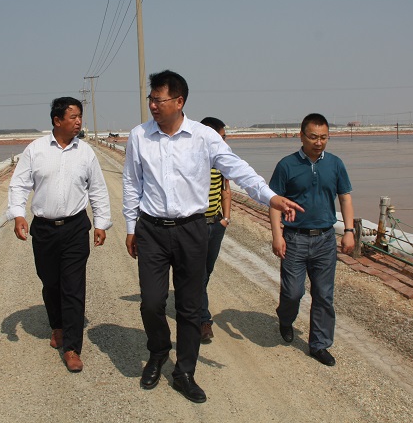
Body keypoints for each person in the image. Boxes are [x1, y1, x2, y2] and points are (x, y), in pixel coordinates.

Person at [123, 70, 303, 403]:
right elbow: (133, 183)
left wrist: (270, 197)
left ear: (179, 101)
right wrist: (131, 227)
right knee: (152, 302)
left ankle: (184, 372)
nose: (153, 105)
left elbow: (237, 168)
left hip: (192, 229)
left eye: (158, 99)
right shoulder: (139, 136)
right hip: (152, 229)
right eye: (150, 99)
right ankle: (158, 351)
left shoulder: (204, 137)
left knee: (190, 306)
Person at [7, 97, 111, 373]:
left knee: (74, 287)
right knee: (50, 282)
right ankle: (58, 326)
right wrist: (18, 215)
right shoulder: (36, 150)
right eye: (73, 117)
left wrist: (101, 223)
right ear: (57, 120)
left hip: (75, 228)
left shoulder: (86, 152)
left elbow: (98, 189)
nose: (78, 122)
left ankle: (72, 348)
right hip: (44, 229)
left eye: (80, 117)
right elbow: (19, 185)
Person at [268, 113, 355, 367]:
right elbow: (274, 203)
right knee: (293, 292)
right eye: (314, 137)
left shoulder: (336, 164)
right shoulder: (286, 165)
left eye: (324, 137)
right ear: (301, 136)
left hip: (325, 239)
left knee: (324, 295)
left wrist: (349, 231)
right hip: (295, 239)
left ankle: (319, 344)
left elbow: (345, 197)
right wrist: (277, 236)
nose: (319, 142)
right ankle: (285, 319)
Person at [198, 117, 231, 343]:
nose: (223, 142)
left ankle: (193, 302)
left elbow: (225, 189)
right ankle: (203, 320)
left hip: (216, 224)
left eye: (225, 138)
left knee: (206, 271)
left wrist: (225, 218)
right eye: (220, 138)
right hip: (195, 225)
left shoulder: (222, 161)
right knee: (199, 273)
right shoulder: (193, 159)